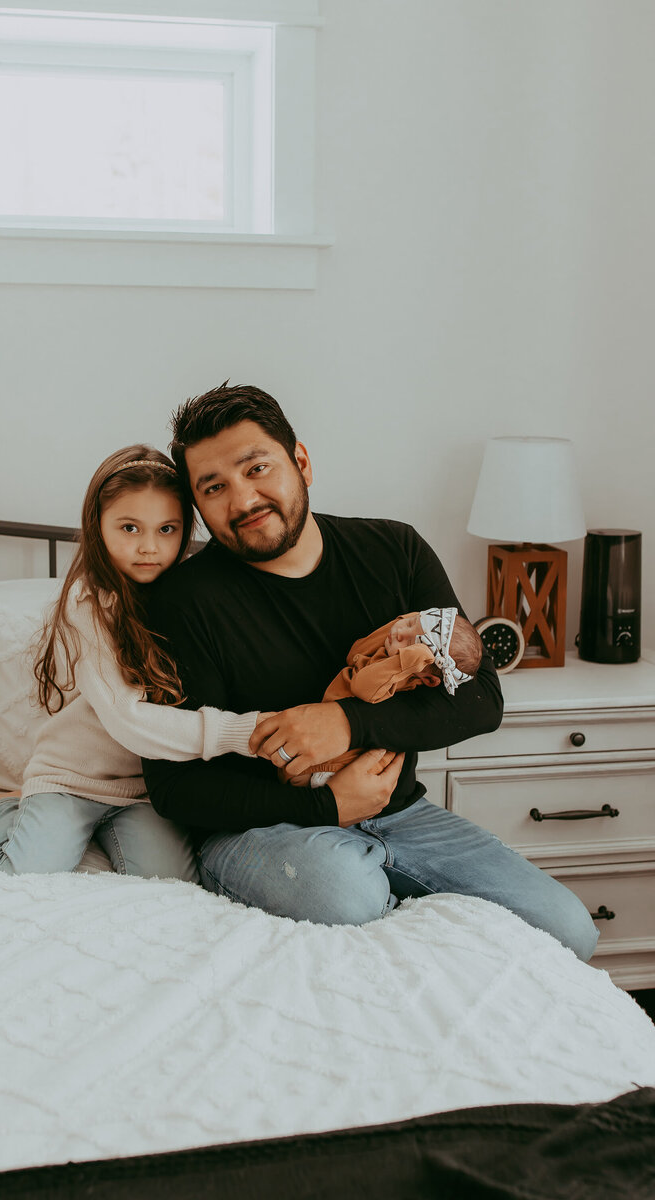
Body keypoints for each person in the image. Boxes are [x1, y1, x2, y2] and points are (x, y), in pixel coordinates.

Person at [140, 384, 599, 961]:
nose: (243, 499)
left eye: (258, 468)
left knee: (569, 929)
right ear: (198, 507)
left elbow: (481, 699)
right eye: (214, 487)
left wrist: (347, 725)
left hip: (402, 815)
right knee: (347, 895)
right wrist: (326, 809)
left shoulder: (394, 551)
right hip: (261, 830)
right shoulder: (181, 601)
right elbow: (173, 787)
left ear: (301, 462)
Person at [0, 444, 260, 880]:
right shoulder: (88, 602)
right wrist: (244, 732)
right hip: (72, 778)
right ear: (98, 527)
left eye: (167, 529)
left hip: (145, 791)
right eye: (129, 528)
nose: (149, 547)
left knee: (171, 883)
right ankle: (2, 808)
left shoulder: (189, 597)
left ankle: (83, 830)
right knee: (22, 877)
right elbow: (127, 719)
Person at [298, 607, 483, 788]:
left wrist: (407, 660)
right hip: (324, 735)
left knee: (298, 775)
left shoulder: (399, 677)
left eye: (410, 643)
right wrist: (414, 621)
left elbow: (360, 686)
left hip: (339, 764)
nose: (400, 632)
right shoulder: (388, 651)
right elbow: (356, 651)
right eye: (409, 622)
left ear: (427, 678)